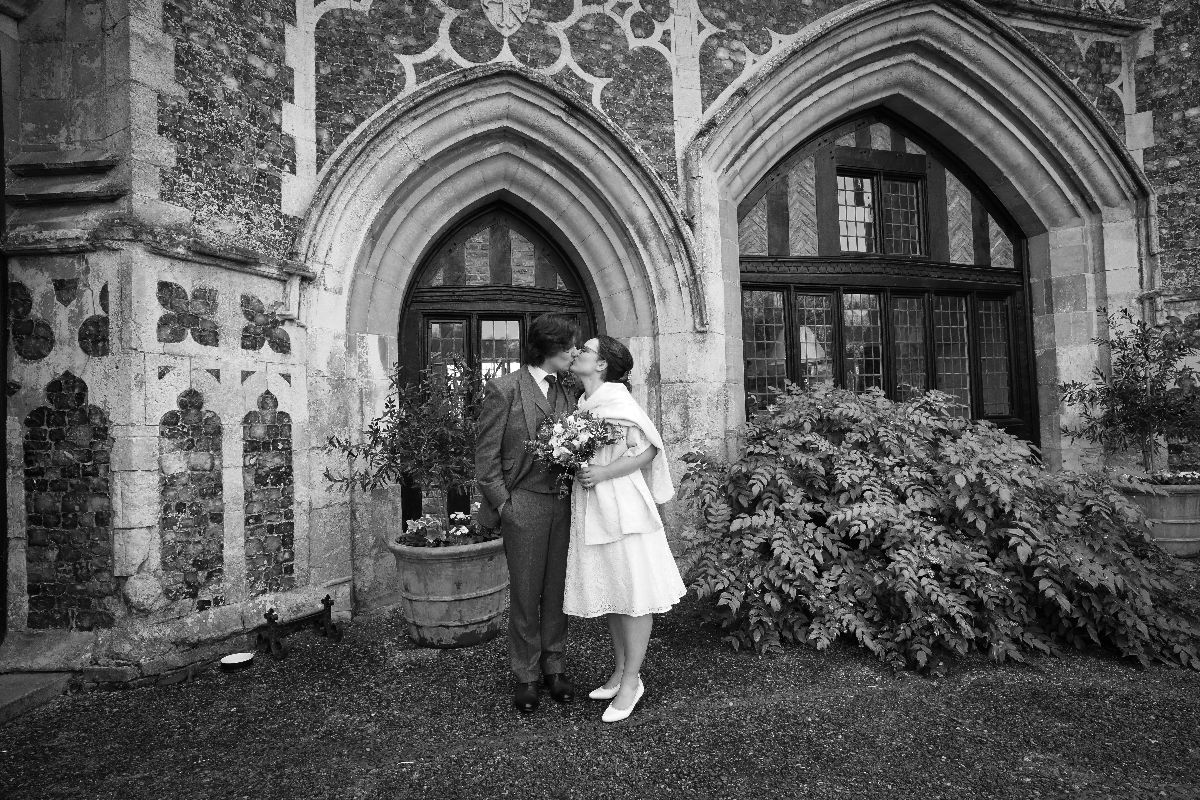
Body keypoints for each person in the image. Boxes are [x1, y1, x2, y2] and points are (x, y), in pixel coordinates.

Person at [564, 335, 686, 723]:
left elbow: (650, 449)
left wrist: (603, 472)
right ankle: (619, 672)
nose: (577, 353)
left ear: (601, 364)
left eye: (585, 350)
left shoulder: (619, 402)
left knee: (634, 593)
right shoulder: (586, 404)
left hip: (624, 507)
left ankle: (632, 681)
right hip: (595, 505)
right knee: (615, 590)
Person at [475, 314, 580, 713]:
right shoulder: (504, 389)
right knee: (524, 592)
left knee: (557, 590)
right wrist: (505, 505)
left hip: (564, 503)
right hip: (524, 504)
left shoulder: (568, 389)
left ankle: (555, 667)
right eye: (568, 345)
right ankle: (526, 675)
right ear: (549, 347)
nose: (573, 351)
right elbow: (485, 457)